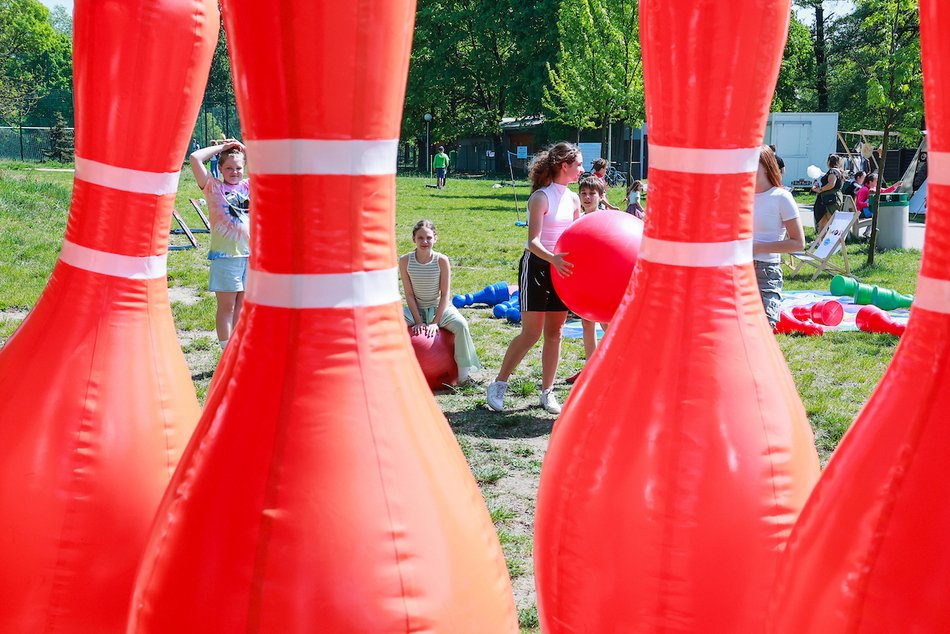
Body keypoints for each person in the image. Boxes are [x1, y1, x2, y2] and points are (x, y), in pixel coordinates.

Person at [486, 142, 584, 414]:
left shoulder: (573, 199)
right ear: (564, 165)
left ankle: (547, 392)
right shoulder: (541, 197)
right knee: (531, 333)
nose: (582, 169)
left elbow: (577, 237)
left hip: (561, 268)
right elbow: (533, 242)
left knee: (556, 332)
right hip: (537, 267)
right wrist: (553, 259)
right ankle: (499, 384)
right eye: (578, 164)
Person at [399, 219, 479, 384]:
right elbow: (409, 294)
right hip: (415, 309)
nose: (425, 241)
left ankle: (463, 377)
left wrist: (435, 322)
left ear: (435, 238)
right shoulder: (405, 261)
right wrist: (418, 321)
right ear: (413, 239)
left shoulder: (441, 260)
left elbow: (445, 294)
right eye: (420, 238)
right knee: (389, 325)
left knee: (461, 325)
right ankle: (393, 371)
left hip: (439, 308)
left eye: (429, 237)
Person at [190, 139, 250, 350]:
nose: (234, 172)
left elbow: (267, 167)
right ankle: (226, 351)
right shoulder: (213, 187)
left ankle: (236, 347)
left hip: (249, 256)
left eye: (238, 168)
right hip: (226, 257)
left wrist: (243, 149)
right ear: (221, 169)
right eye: (229, 168)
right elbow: (195, 158)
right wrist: (222, 148)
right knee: (227, 306)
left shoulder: (249, 186)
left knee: (242, 306)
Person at [753, 146, 805, 329]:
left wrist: (758, 248)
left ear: (766, 166)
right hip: (737, 269)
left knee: (763, 330)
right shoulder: (740, 197)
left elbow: (798, 243)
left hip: (765, 271)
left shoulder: (782, 197)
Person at [567, 176, 612, 385]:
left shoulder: (608, 219)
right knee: (587, 321)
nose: (587, 197)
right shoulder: (578, 220)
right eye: (583, 193)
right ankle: (590, 367)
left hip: (605, 279)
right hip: (585, 279)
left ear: (601, 197)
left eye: (592, 193)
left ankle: (615, 364)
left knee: (607, 323)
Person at [811, 153, 844, 231]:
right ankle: (821, 238)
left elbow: (831, 184)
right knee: (824, 222)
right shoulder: (838, 171)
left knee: (831, 222)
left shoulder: (833, 171)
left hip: (830, 200)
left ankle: (832, 238)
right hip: (830, 198)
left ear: (829, 162)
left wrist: (820, 189)